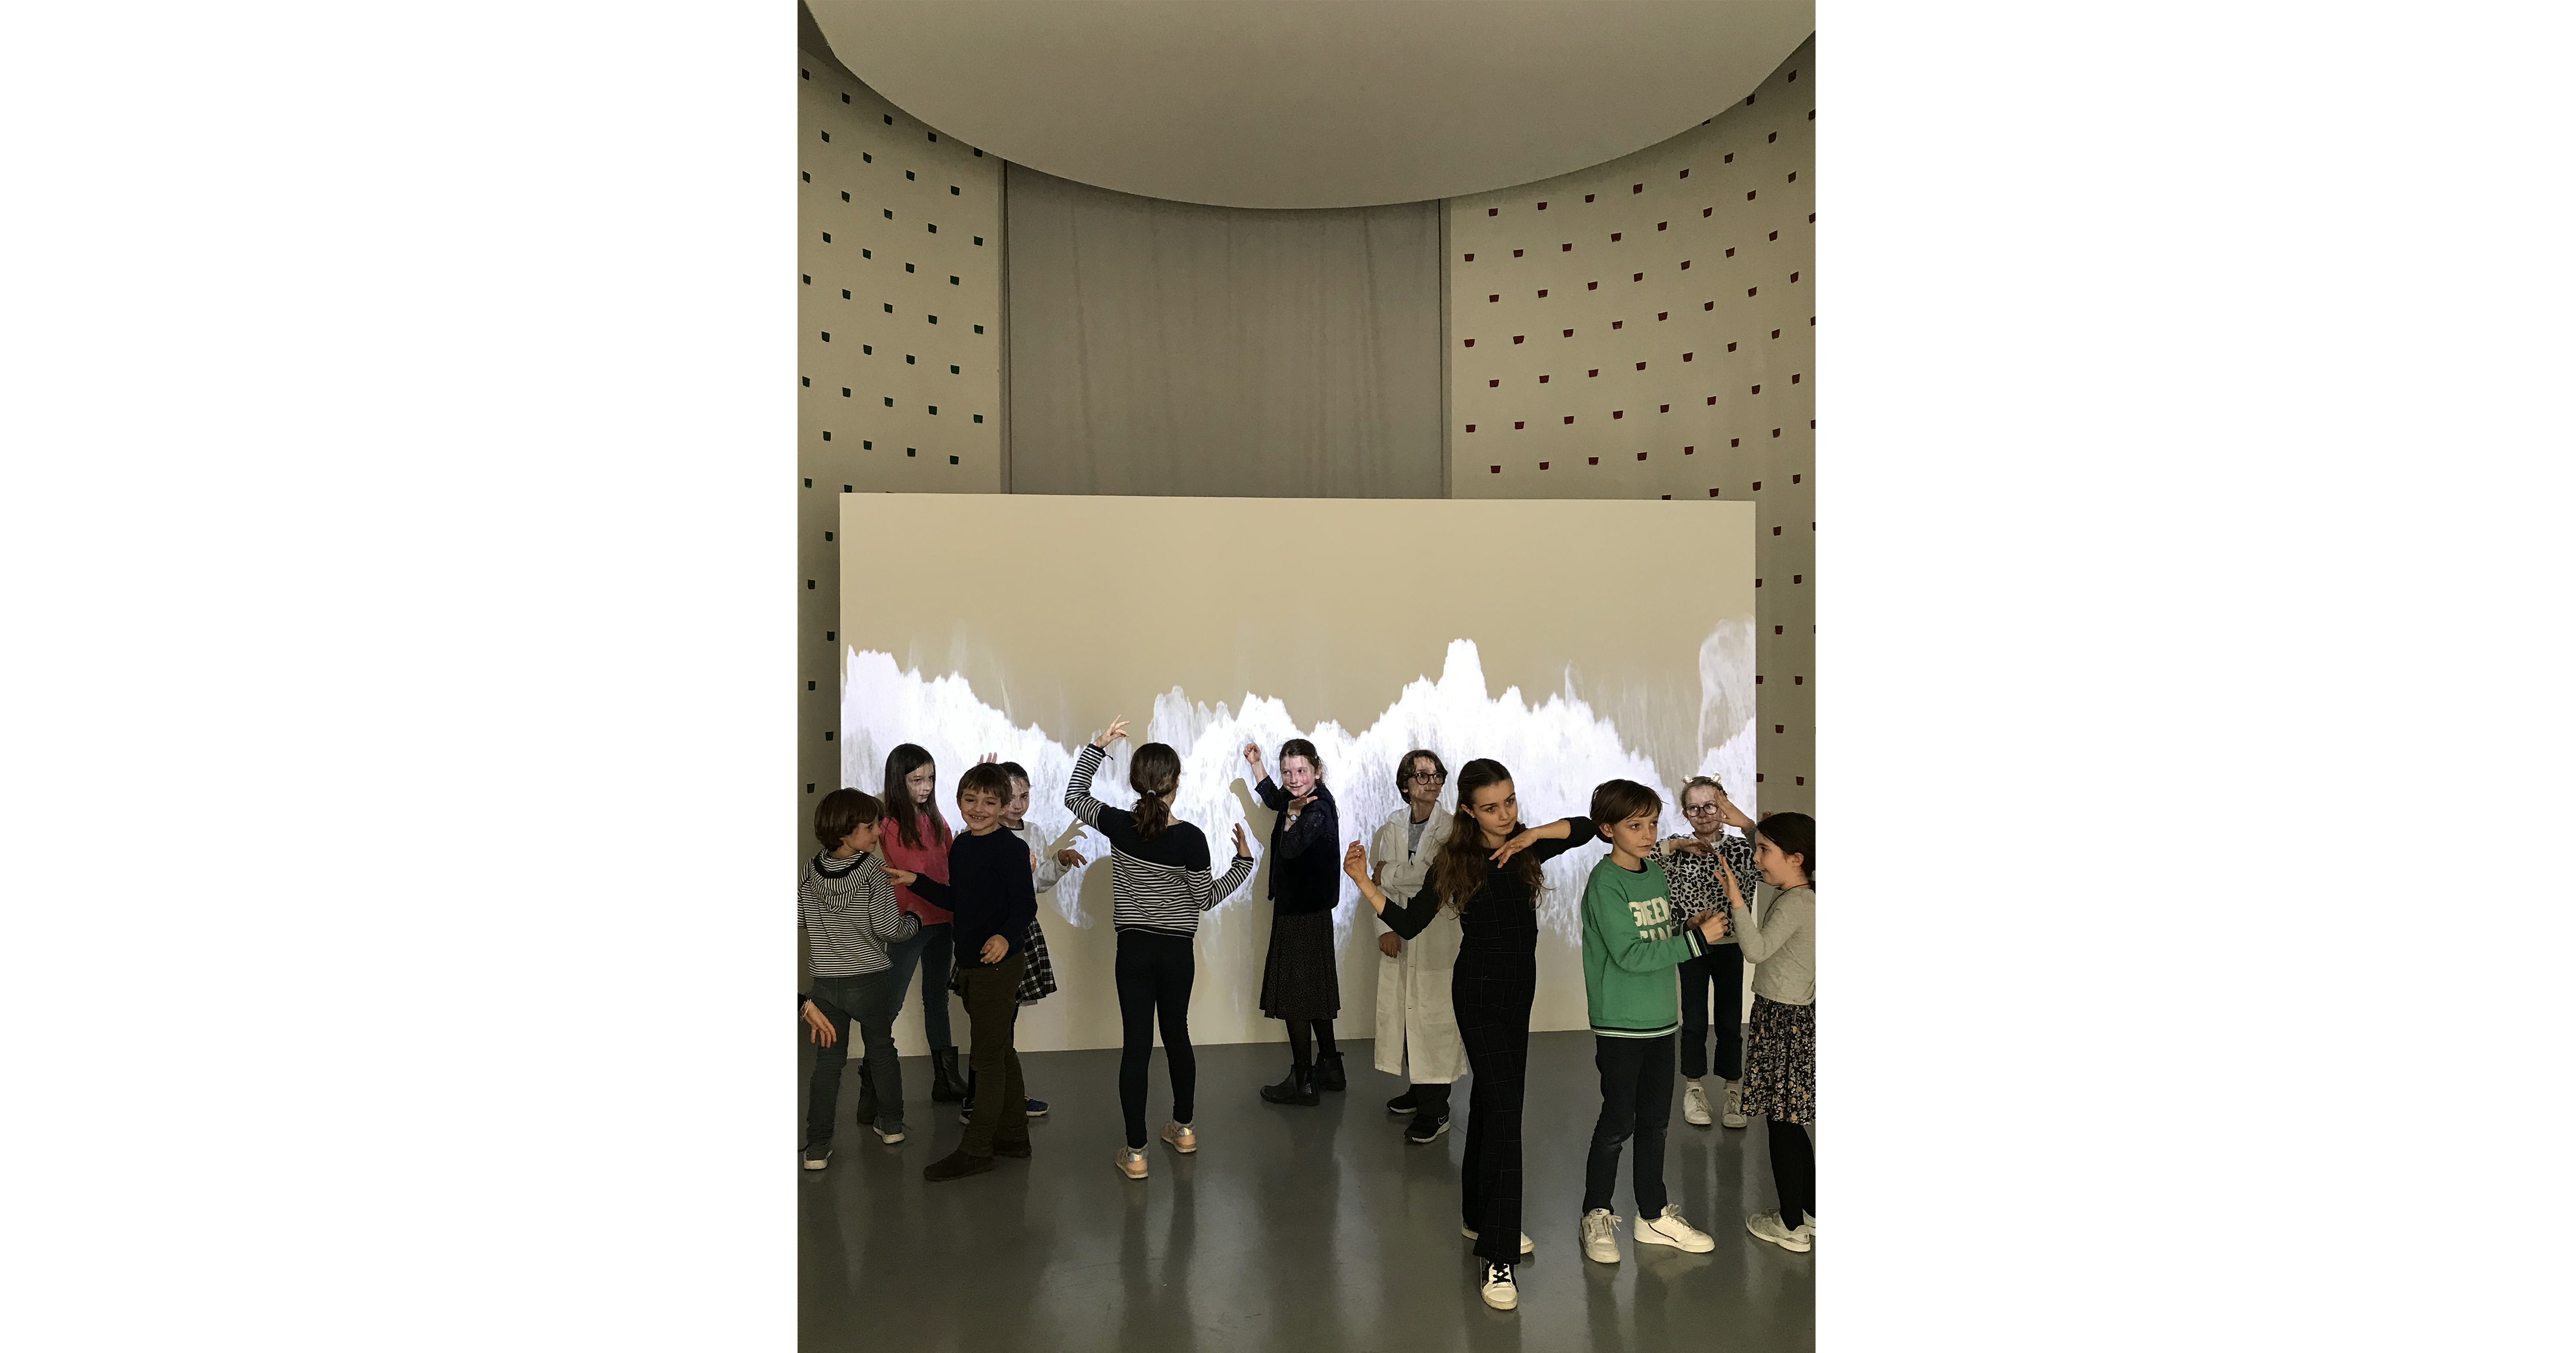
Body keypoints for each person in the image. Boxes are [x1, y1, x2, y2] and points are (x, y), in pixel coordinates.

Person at [1341, 758, 1597, 1312]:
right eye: (1490, 807)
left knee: (1491, 1103)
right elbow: (1409, 922)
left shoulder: (1526, 846)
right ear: (1467, 811)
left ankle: (1479, 1216)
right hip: (1477, 991)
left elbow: (1587, 827)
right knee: (1506, 1115)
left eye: (1509, 801)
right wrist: (1363, 881)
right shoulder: (1454, 858)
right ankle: (1496, 1252)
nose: (1504, 814)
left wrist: (1532, 833)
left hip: (1519, 990)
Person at [1067, 718, 1257, 1180]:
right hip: (1176, 953)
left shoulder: (1119, 825)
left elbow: (1074, 796)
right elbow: (1205, 898)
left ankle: (1136, 1154)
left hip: (1133, 950)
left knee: (1136, 1045)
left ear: (1136, 782)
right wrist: (1243, 864)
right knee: (1177, 1035)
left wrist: (1098, 746)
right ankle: (1184, 1130)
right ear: (1176, 782)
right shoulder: (1191, 838)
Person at [1574, 779, 1727, 1263]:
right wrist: (1696, 942)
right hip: (1620, 1024)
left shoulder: (1655, 874)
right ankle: (1596, 1213)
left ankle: (1653, 1214)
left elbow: (1655, 934)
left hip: (1662, 1021)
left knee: (1657, 1123)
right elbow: (1629, 954)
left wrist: (1686, 927)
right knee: (1619, 1121)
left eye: (1653, 824)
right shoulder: (1605, 883)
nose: (1648, 834)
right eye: (1635, 825)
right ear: (1608, 829)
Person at [898, 763, 1040, 1182]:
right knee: (1001, 1052)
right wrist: (915, 880)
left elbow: (1025, 906)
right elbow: (958, 899)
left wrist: (1004, 938)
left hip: (999, 967)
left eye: (989, 802)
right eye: (970, 799)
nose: (978, 808)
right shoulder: (961, 846)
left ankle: (977, 1148)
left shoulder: (1011, 850)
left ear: (1004, 806)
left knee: (987, 1060)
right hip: (973, 964)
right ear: (959, 799)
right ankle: (1014, 1136)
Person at [798, 788, 923, 1168]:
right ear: (844, 830)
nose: (877, 833)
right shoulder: (872, 871)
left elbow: (801, 921)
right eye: (870, 827)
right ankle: (892, 1125)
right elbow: (890, 930)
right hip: (870, 980)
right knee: (881, 1051)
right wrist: (914, 920)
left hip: (825, 985)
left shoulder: (809, 870)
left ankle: (817, 1146)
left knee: (828, 1063)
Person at [955, 757, 1080, 1125]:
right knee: (989, 1025)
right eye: (1010, 796)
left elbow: (1033, 890)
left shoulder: (1032, 833)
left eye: (1024, 796)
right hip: (983, 937)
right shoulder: (969, 839)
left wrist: (1058, 862)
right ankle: (983, 1100)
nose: (1018, 803)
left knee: (1000, 1022)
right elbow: (966, 892)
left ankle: (1001, 1100)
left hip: (1015, 934)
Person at [1715, 811, 1817, 1253]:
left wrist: (1736, 898)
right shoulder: (1807, 895)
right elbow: (1764, 836)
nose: (1756, 858)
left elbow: (1755, 950)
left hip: (1781, 1021)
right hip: (1795, 1018)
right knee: (1790, 1122)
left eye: (1764, 851)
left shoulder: (1796, 904)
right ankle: (1811, 1212)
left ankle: (1791, 1226)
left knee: (1782, 1125)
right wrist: (1735, 814)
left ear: (1796, 858)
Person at [1369, 748, 1465, 1144]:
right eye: (1422, 775)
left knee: (1435, 1021)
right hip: (1399, 929)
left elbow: (1429, 878)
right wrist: (1385, 928)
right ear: (1405, 785)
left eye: (1437, 775)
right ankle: (1419, 1088)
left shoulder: (1454, 829)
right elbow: (1376, 884)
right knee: (1407, 1017)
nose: (1432, 782)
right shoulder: (1391, 826)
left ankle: (1436, 1109)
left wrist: (1389, 874)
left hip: (1437, 934)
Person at [1655, 775, 1760, 1129]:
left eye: (1710, 806)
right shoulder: (1676, 848)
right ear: (1685, 812)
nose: (1702, 814)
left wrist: (1747, 824)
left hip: (1730, 947)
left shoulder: (1742, 849)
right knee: (1695, 1020)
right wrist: (1678, 845)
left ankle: (1733, 1090)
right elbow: (1644, 857)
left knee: (1730, 1021)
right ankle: (1694, 1087)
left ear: (1723, 806)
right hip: (1692, 945)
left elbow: (1771, 855)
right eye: (1693, 808)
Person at [1244, 737, 1343, 1104]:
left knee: (1296, 997)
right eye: (1287, 772)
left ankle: (1303, 1081)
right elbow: (1276, 799)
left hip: (1302, 914)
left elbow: (1289, 847)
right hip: (1308, 911)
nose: (1293, 779)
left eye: (1301, 771)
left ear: (1317, 770)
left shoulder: (1315, 809)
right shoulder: (1300, 798)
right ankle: (1330, 1066)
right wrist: (1257, 765)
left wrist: (1292, 815)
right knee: (1312, 991)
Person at [876, 743, 968, 1105]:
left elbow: (948, 863)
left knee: (936, 998)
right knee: (891, 1001)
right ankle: (873, 1083)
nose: (926, 786)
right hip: (910, 923)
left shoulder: (936, 818)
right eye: (917, 780)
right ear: (898, 781)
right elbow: (913, 874)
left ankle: (946, 1080)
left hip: (944, 919)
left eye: (930, 778)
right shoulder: (889, 824)